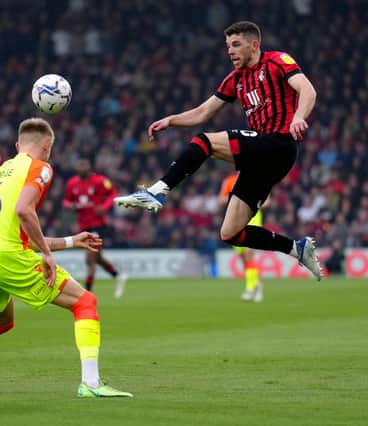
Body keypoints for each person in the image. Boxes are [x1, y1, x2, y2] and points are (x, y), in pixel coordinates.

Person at [0, 118, 132, 398]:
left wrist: (70, 241)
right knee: (85, 302)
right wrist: (48, 255)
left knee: (0, 322)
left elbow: (20, 231)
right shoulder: (40, 167)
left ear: (17, 146)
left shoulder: (3, 170)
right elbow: (24, 211)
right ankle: (91, 384)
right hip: (6, 257)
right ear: (48, 145)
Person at [114, 21, 323, 281]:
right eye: (228, 47)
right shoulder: (235, 79)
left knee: (205, 142)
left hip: (279, 143)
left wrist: (298, 117)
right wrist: (170, 120)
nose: (230, 52)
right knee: (231, 233)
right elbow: (203, 112)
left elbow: (307, 89)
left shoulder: (277, 60)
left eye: (236, 45)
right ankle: (296, 248)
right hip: (260, 159)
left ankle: (157, 191)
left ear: (254, 44)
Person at [63, 157, 128, 298]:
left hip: (98, 224)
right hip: (83, 225)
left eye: (84, 166)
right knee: (97, 258)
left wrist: (104, 208)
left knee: (90, 259)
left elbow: (113, 193)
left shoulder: (100, 181)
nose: (82, 169)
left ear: (89, 167)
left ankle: (86, 294)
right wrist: (71, 206)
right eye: (79, 166)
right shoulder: (72, 183)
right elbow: (66, 201)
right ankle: (118, 276)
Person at [219, 172, 263, 302]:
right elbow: (220, 200)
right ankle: (257, 284)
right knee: (244, 257)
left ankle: (249, 288)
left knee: (249, 253)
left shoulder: (257, 178)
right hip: (234, 218)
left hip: (252, 217)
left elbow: (268, 200)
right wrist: (235, 199)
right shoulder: (229, 181)